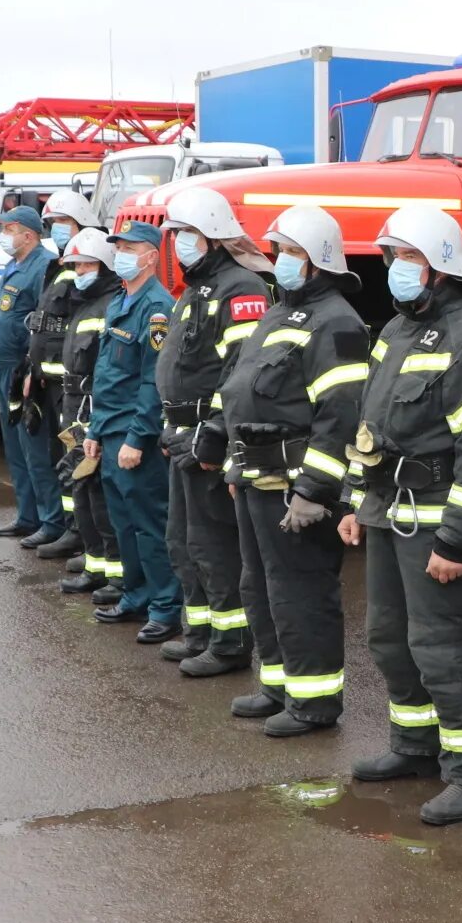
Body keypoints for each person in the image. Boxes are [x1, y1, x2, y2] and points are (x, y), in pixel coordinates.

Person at [341, 206, 462, 826]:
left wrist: (455, 538)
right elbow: (371, 427)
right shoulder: (393, 333)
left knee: (447, 647)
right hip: (391, 514)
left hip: (441, 523)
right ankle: (415, 747)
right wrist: (358, 502)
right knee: (390, 639)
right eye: (391, 258)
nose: (395, 270)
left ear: (441, 265)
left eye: (408, 258)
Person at [220, 206, 369, 737]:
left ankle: (315, 703)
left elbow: (342, 414)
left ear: (319, 260)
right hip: (257, 479)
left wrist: (314, 489)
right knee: (260, 585)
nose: (280, 260)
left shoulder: (340, 322)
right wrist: (233, 460)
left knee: (302, 591)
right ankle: (279, 685)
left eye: (291, 252)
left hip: (296, 489)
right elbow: (243, 390)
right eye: (278, 250)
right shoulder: (280, 313)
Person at [154, 185, 272, 675]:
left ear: (213, 236)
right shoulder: (197, 289)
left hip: (207, 439)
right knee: (183, 541)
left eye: (185, 232)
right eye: (176, 232)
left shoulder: (241, 288)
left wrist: (215, 432)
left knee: (215, 546)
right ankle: (200, 629)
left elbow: (243, 372)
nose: (177, 241)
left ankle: (228, 644)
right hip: (182, 435)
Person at [87, 219, 182, 644]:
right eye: (118, 247)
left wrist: (136, 439)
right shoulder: (119, 300)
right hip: (109, 430)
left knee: (148, 523)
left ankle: (165, 607)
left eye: (128, 247)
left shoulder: (157, 308)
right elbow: (106, 372)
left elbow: (153, 381)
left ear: (149, 255)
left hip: (132, 434)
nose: (120, 254)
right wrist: (93, 429)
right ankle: (136, 595)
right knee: (122, 523)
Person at [0, 206, 66, 546]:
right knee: (15, 446)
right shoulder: (13, 264)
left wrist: (33, 366)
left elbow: (44, 322)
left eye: (9, 228)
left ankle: (52, 522)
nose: (5, 234)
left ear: (29, 234)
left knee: (35, 446)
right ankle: (27, 515)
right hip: (3, 368)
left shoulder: (43, 267)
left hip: (23, 370)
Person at [24, 192, 98, 563]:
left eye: (62, 223)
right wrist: (32, 370)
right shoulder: (59, 265)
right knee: (61, 459)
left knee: (74, 458)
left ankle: (78, 532)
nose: (56, 230)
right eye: (52, 224)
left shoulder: (87, 270)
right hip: (49, 380)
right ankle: (70, 526)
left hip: (72, 385)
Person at [57, 228, 125, 599]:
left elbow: (109, 371)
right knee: (80, 490)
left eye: (86, 264)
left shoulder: (109, 306)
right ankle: (94, 564)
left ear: (105, 265)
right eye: (75, 265)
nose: (79, 271)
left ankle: (115, 575)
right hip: (74, 411)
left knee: (99, 496)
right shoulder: (82, 303)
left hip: (94, 412)